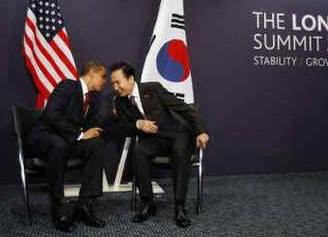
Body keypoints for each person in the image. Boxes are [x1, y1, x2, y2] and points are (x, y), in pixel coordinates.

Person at [109, 61, 209, 228]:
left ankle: (179, 206)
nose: (115, 87)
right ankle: (148, 203)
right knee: (139, 151)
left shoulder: (152, 89)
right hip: (155, 140)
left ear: (131, 78)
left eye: (118, 82)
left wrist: (201, 131)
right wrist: (137, 124)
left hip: (177, 135)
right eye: (112, 83)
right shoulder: (119, 102)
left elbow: (184, 109)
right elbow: (120, 128)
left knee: (179, 152)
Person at [26, 61, 107, 232]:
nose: (105, 81)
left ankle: (83, 206)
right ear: (91, 73)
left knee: (96, 143)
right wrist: (79, 135)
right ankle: (57, 208)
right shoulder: (68, 86)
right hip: (44, 137)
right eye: (103, 76)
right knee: (59, 144)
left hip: (65, 140)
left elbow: (85, 127)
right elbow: (51, 114)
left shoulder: (89, 100)